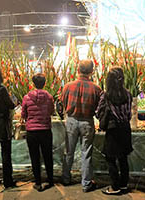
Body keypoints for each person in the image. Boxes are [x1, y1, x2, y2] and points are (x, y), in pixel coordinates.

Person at [60, 59, 102, 193]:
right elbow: (98, 108)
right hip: (87, 122)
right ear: (91, 71)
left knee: (69, 151)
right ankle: (86, 183)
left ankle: (66, 178)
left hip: (71, 121)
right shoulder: (96, 88)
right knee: (86, 153)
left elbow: (61, 102)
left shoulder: (68, 86)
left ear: (78, 70)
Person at [96, 66, 133, 195]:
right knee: (123, 158)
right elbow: (129, 114)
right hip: (125, 128)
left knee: (110, 158)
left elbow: (98, 112)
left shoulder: (106, 95)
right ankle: (123, 184)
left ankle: (115, 186)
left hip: (113, 130)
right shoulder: (128, 94)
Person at [21, 73, 54, 191]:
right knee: (47, 156)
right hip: (45, 130)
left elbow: (24, 114)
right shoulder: (49, 97)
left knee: (35, 157)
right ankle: (50, 180)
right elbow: (51, 111)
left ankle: (38, 182)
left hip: (32, 131)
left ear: (33, 83)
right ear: (45, 83)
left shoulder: (26, 97)